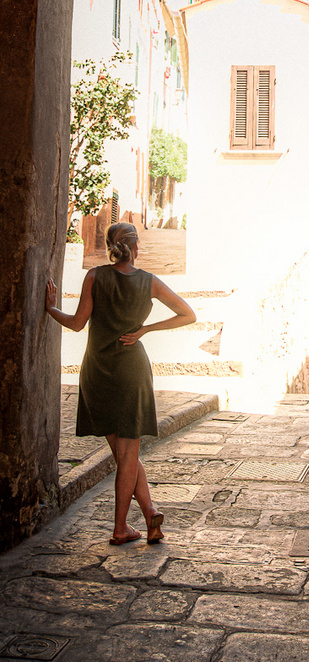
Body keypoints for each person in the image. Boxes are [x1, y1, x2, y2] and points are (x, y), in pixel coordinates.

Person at [45, 222, 196, 545]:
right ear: (137, 246)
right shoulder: (150, 283)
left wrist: (50, 308)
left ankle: (149, 512)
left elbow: (76, 324)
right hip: (131, 370)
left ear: (109, 245)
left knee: (123, 453)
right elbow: (188, 315)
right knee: (129, 454)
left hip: (97, 371)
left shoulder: (94, 276)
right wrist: (145, 330)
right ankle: (119, 528)